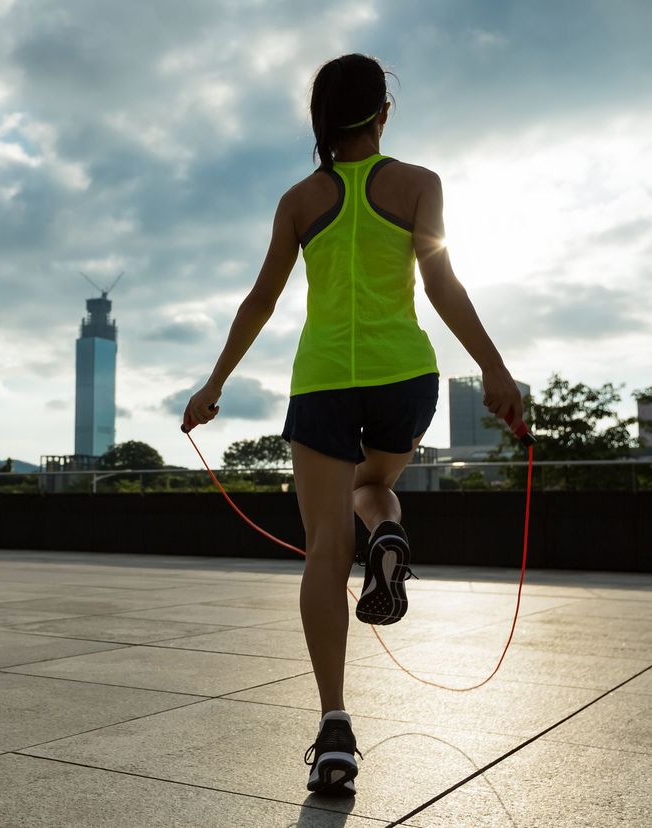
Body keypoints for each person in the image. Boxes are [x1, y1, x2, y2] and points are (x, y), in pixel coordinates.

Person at [181, 53, 524, 796]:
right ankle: (390, 533)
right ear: (383, 113)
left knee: (323, 548)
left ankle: (335, 728)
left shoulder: (300, 199)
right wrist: (495, 372)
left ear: (321, 120)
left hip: (326, 382)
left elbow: (259, 302)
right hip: (405, 378)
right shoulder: (418, 184)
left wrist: (214, 385)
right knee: (375, 490)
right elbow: (443, 283)